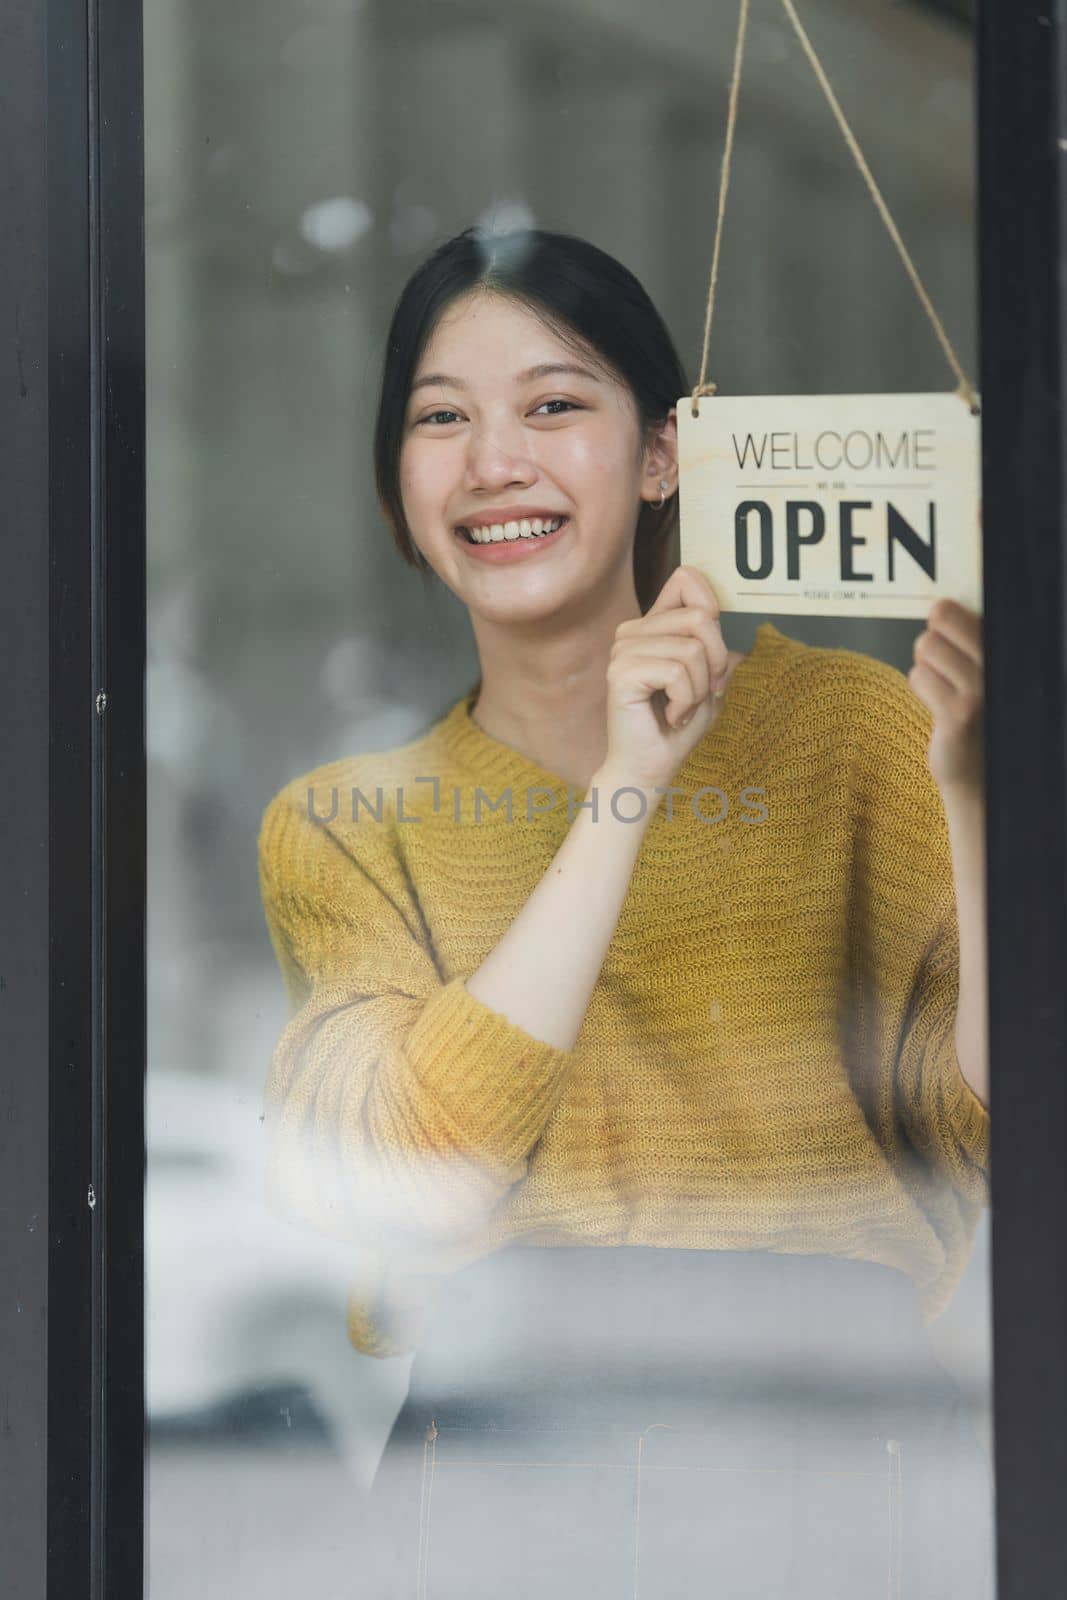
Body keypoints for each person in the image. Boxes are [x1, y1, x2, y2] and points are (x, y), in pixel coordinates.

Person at [257, 225, 993, 1597]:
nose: (494, 462)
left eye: (553, 404)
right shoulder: (345, 824)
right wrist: (626, 787)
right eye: (440, 418)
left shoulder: (859, 734)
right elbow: (421, 1177)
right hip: (500, 1469)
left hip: (835, 1451)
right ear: (393, 483)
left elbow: (983, 1123)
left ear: (665, 455)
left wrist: (973, 805)